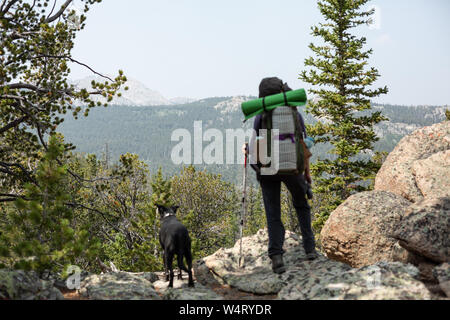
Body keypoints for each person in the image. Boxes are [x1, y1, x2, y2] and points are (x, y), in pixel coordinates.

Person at [244, 77, 318, 274]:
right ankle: (310, 248)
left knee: (273, 212)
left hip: (268, 170)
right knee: (301, 205)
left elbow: (253, 146)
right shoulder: (295, 114)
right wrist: (305, 174)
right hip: (292, 168)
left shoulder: (261, 116)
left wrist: (255, 165)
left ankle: (277, 257)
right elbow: (304, 144)